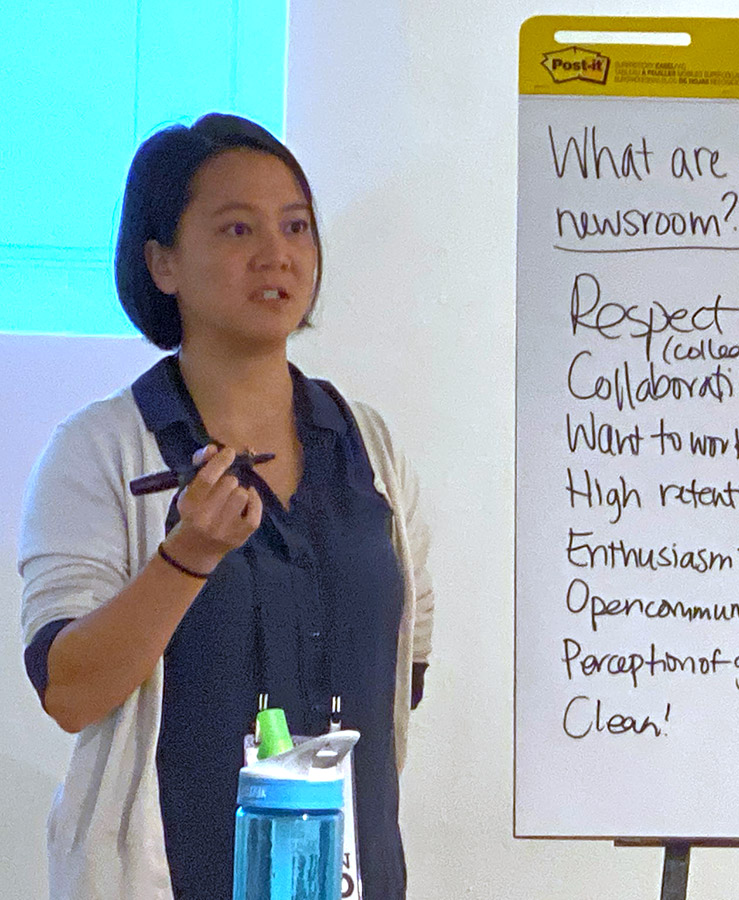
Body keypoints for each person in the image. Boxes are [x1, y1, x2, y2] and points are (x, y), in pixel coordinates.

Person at [18, 113, 433, 899]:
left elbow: (405, 661)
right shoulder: (102, 449)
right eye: (237, 228)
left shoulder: (366, 444)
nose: (276, 254)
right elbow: (68, 692)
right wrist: (186, 559)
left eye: (296, 226)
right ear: (162, 262)